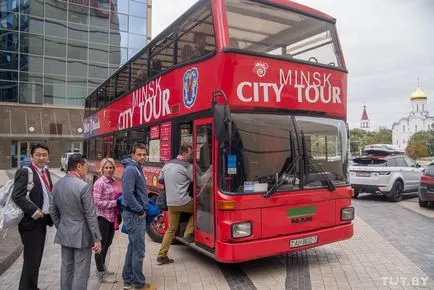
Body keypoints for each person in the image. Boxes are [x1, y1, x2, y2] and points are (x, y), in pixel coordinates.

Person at [49, 153, 102, 290]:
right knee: (81, 272)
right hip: (82, 235)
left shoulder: (57, 184)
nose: (87, 170)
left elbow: (53, 210)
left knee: (66, 268)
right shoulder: (83, 186)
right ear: (79, 166)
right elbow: (90, 214)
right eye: (86, 167)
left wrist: (61, 226)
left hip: (65, 232)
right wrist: (97, 238)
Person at [156, 144, 211, 265]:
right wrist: (211, 170)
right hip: (183, 201)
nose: (192, 156)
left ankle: (162, 255)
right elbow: (200, 181)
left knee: (171, 228)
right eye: (191, 154)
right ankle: (187, 234)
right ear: (185, 153)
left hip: (170, 202)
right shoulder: (188, 166)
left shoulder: (167, 164)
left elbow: (161, 180)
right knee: (199, 208)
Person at [12, 143, 54, 290]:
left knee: (36, 260)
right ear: (31, 156)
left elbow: (48, 194)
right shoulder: (25, 172)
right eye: (38, 155)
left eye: (44, 155)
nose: (42, 158)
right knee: (31, 260)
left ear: (48, 157)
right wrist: (34, 211)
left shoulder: (45, 172)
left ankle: (32, 287)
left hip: (42, 222)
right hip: (30, 223)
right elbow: (17, 196)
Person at [121, 144, 156, 290]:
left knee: (133, 247)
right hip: (134, 215)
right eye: (139, 154)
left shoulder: (136, 168)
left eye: (144, 154)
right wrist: (140, 210)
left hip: (134, 213)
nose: (142, 157)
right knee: (139, 250)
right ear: (132, 154)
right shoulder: (131, 169)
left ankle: (128, 280)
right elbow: (128, 194)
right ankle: (139, 284)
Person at [92, 158, 118, 284]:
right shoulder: (99, 183)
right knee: (100, 246)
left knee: (107, 244)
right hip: (102, 218)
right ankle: (100, 273)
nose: (109, 170)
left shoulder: (113, 181)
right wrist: (115, 203)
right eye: (106, 168)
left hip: (112, 218)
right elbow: (97, 203)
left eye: (111, 167)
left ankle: (102, 267)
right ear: (102, 169)